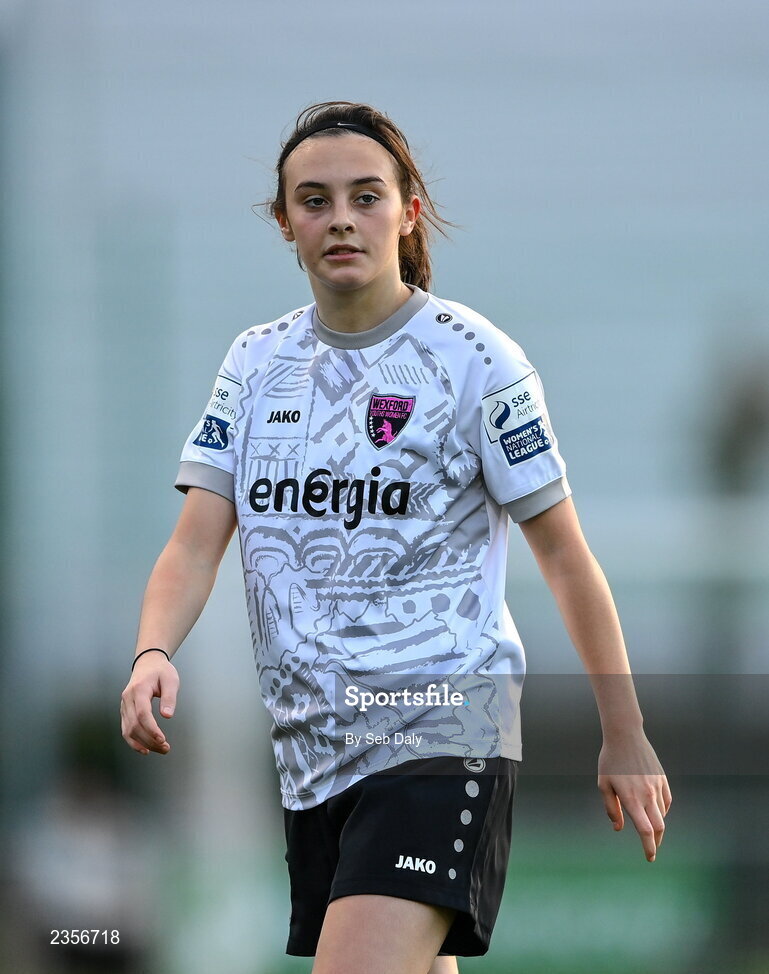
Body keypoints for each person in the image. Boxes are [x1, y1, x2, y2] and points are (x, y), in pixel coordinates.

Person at [120, 100, 672, 974]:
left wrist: (625, 730)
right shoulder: (255, 364)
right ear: (285, 223)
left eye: (365, 195)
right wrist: (153, 649)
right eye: (313, 199)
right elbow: (195, 542)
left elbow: (565, 558)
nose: (340, 216)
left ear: (407, 210)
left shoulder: (477, 361)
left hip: (444, 731)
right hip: (313, 756)